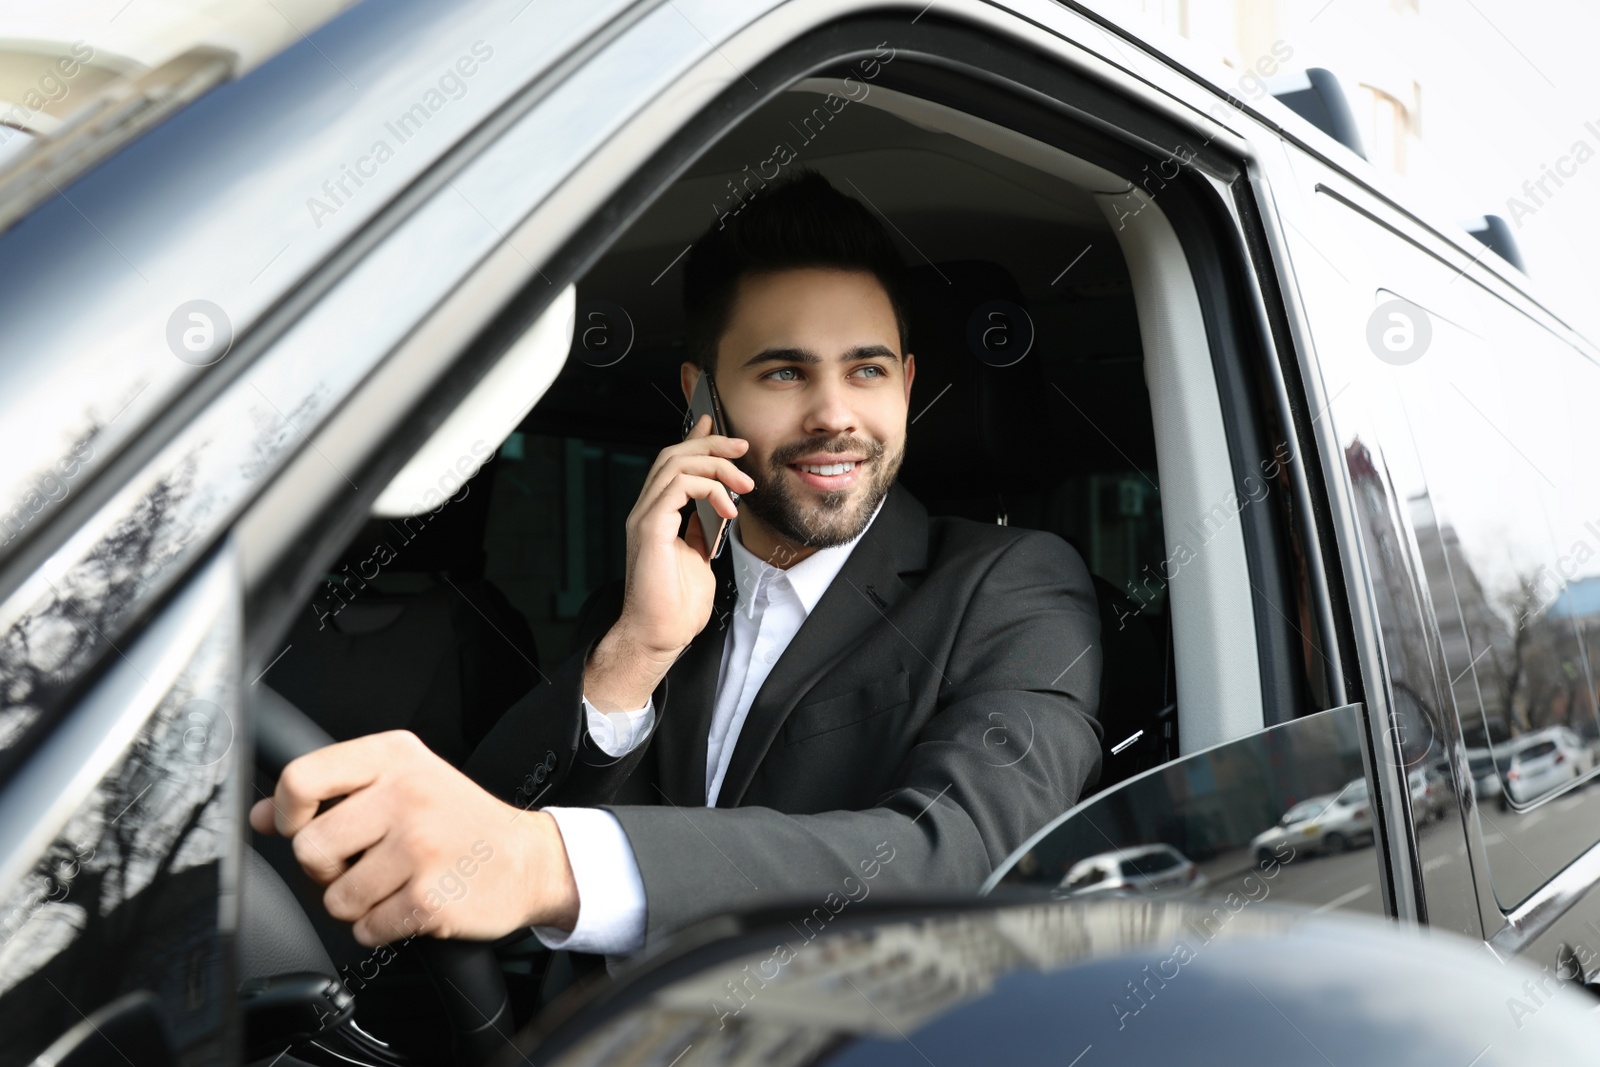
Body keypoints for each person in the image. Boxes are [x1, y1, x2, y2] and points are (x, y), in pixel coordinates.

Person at [250, 168, 1104, 969]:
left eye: (867, 370)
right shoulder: (652, 600)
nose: (836, 414)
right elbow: (479, 846)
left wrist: (547, 863)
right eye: (784, 371)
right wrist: (634, 656)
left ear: (908, 386)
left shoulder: (1015, 586)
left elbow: (961, 856)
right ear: (703, 397)